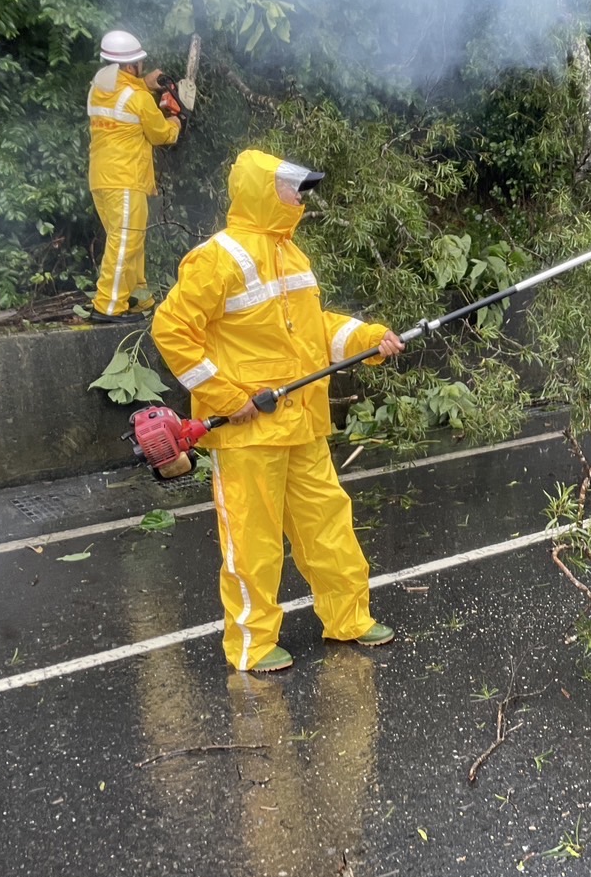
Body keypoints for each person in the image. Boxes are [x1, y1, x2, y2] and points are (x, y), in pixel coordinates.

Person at [151, 148, 405, 672]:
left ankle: (349, 618)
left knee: (328, 527)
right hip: (248, 434)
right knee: (253, 544)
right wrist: (225, 397)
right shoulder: (217, 257)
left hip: (303, 425)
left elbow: (315, 330)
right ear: (265, 192)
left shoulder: (292, 256)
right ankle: (252, 645)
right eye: (293, 190)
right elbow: (171, 331)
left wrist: (369, 337)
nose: (301, 200)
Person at [87, 30, 182, 323]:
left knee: (131, 241)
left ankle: (139, 298)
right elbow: (161, 134)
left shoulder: (96, 88)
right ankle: (107, 306)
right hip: (126, 179)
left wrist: (146, 83)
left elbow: (123, 95)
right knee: (125, 242)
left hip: (101, 178)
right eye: (139, 63)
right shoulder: (140, 98)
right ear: (130, 66)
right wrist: (176, 121)